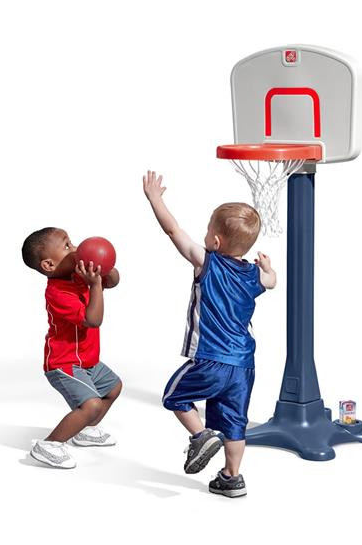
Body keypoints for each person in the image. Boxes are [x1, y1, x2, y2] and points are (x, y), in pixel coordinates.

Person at [143, 170, 276, 497]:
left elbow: (173, 230)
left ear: (215, 241)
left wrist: (155, 199)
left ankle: (200, 436)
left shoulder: (206, 262)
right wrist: (268, 269)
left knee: (174, 396)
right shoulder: (254, 275)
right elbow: (271, 282)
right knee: (234, 422)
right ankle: (232, 477)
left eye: (207, 231)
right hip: (243, 364)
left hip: (210, 358)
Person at [21, 227, 122, 469]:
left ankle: (84, 429)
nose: (76, 249)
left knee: (113, 388)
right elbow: (93, 320)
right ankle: (49, 445)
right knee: (92, 405)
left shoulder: (79, 276)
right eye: (67, 246)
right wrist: (95, 285)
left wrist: (103, 268)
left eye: (72, 242)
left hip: (87, 360)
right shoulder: (57, 293)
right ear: (49, 265)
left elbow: (114, 280)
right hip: (63, 362)